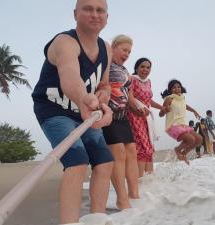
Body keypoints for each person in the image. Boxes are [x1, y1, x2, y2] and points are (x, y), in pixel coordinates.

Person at [31, 0, 114, 223]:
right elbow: (70, 76)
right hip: (54, 109)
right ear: (75, 13)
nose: (95, 14)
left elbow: (104, 84)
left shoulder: (107, 48)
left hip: (84, 112)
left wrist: (103, 98)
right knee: (77, 159)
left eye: (100, 10)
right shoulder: (64, 42)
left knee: (105, 161)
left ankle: (98, 218)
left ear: (107, 17)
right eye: (88, 8)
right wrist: (84, 98)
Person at [102, 35, 139, 210]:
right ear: (113, 48)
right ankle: (121, 199)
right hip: (107, 114)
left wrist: (138, 106)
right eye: (124, 50)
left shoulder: (125, 71)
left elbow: (129, 94)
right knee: (118, 152)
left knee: (131, 151)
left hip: (123, 116)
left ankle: (134, 194)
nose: (127, 54)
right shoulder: (105, 65)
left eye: (129, 51)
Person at [127, 58, 164, 177]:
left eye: (148, 67)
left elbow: (148, 100)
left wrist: (162, 108)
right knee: (142, 148)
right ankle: (139, 182)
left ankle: (150, 182)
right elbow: (129, 97)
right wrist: (138, 110)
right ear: (136, 68)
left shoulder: (148, 82)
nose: (145, 70)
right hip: (135, 116)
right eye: (142, 67)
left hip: (147, 118)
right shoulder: (131, 79)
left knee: (149, 148)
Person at [159, 79, 202, 164]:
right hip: (173, 126)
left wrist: (194, 111)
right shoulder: (169, 99)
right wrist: (165, 110)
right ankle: (177, 150)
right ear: (170, 90)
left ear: (181, 88)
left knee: (199, 139)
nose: (177, 89)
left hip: (182, 125)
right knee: (191, 139)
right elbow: (160, 114)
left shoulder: (182, 98)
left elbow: (185, 105)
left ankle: (183, 153)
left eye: (178, 87)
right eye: (174, 87)